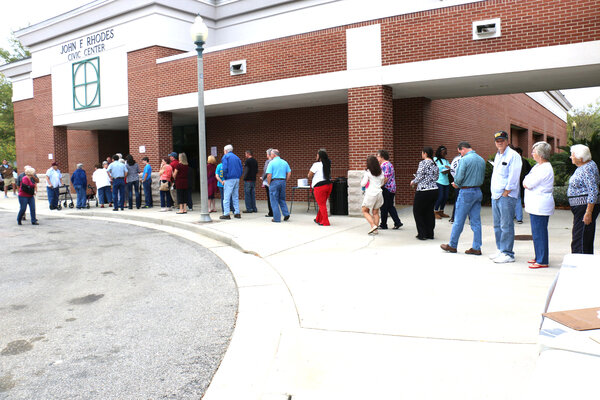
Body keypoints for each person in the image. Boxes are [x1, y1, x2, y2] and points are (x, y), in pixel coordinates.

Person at [440, 142, 486, 255]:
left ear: (463, 149)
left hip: (466, 192)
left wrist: (456, 184)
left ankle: (452, 245)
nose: (460, 154)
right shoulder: (481, 159)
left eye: (460, 151)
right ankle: (476, 247)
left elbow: (459, 177)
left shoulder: (464, 160)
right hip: (477, 191)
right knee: (476, 221)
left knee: (458, 220)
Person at [489, 130, 522, 263]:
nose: (499, 143)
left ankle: (508, 253)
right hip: (495, 195)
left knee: (506, 225)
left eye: (502, 140)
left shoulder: (513, 156)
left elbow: (514, 176)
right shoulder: (498, 155)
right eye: (497, 141)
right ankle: (500, 249)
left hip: (506, 196)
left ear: (507, 141)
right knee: (497, 225)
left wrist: (507, 191)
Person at [523, 142, 555, 268]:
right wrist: (526, 180)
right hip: (535, 204)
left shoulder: (544, 168)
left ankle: (542, 260)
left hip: (540, 205)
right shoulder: (538, 166)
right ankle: (538, 256)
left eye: (534, 152)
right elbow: (526, 179)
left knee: (540, 233)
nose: (532, 154)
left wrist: (526, 180)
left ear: (540, 155)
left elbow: (528, 183)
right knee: (536, 233)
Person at [567, 144, 600, 254]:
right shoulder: (586, 166)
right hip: (581, 208)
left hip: (584, 208)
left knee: (580, 240)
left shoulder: (587, 169)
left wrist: (588, 212)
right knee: (582, 238)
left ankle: (579, 265)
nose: (571, 157)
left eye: (572, 155)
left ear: (580, 159)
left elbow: (593, 190)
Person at [410, 146, 439, 240]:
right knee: (429, 212)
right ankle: (430, 233)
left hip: (423, 190)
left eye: (422, 153)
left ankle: (422, 234)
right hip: (434, 189)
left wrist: (413, 181)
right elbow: (436, 177)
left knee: (417, 212)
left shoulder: (423, 163)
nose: (421, 154)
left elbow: (420, 175)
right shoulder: (435, 164)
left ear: (425, 153)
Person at [376, 149, 403, 230]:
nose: (377, 158)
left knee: (384, 207)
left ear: (382, 157)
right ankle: (397, 222)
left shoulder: (385, 165)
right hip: (391, 188)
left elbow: (385, 178)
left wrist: (379, 186)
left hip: (387, 188)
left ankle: (384, 224)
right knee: (390, 206)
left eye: (378, 156)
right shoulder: (389, 164)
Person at [308, 149, 333, 226]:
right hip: (329, 185)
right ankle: (318, 219)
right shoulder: (328, 164)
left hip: (320, 187)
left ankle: (325, 222)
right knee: (322, 203)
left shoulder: (316, 165)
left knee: (321, 205)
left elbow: (309, 175)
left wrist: (312, 176)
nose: (316, 156)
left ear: (319, 156)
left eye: (317, 155)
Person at [361, 155, 384, 234]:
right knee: (376, 212)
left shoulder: (368, 172)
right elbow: (382, 182)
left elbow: (363, 184)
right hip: (379, 193)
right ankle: (376, 230)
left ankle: (373, 225)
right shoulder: (381, 171)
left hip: (371, 193)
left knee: (364, 211)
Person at [266, 149, 291, 223]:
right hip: (282, 181)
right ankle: (286, 213)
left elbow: (269, 175)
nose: (270, 156)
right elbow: (289, 172)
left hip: (274, 181)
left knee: (274, 200)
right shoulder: (284, 162)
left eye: (271, 154)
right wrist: (286, 180)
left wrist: (269, 183)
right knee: (282, 199)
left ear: (274, 155)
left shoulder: (271, 163)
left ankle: (276, 218)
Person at [220, 144, 243, 220]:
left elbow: (224, 168)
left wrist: (224, 177)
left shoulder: (226, 157)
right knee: (235, 196)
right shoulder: (237, 157)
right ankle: (237, 212)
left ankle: (226, 214)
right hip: (236, 178)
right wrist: (238, 176)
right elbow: (241, 168)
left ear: (226, 151)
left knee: (226, 197)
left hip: (229, 178)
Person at [513, 146, 532, 224]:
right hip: (522, 183)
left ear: (519, 153)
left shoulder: (515, 161)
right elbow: (530, 171)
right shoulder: (525, 161)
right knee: (518, 199)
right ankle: (518, 217)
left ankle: (517, 217)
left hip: (515, 183)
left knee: (515, 200)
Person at [433, 145, 451, 219]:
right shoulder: (435, 159)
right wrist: (444, 167)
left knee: (445, 197)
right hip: (439, 181)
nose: (444, 154)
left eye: (445, 153)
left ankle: (441, 211)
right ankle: (435, 211)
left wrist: (449, 168)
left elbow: (450, 167)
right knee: (440, 197)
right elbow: (435, 167)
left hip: (446, 181)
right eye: (443, 153)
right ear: (439, 152)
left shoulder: (446, 160)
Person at [448, 150, 462, 223]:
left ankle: (453, 218)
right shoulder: (466, 159)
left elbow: (451, 170)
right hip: (465, 183)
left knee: (457, 200)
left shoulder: (455, 159)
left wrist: (456, 179)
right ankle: (471, 219)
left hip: (457, 182)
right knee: (469, 201)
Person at [260, 149, 274, 217]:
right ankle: (275, 211)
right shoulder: (275, 161)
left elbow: (266, 171)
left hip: (268, 181)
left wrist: (262, 177)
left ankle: (271, 212)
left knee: (269, 197)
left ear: (268, 154)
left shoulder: (268, 162)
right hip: (275, 181)